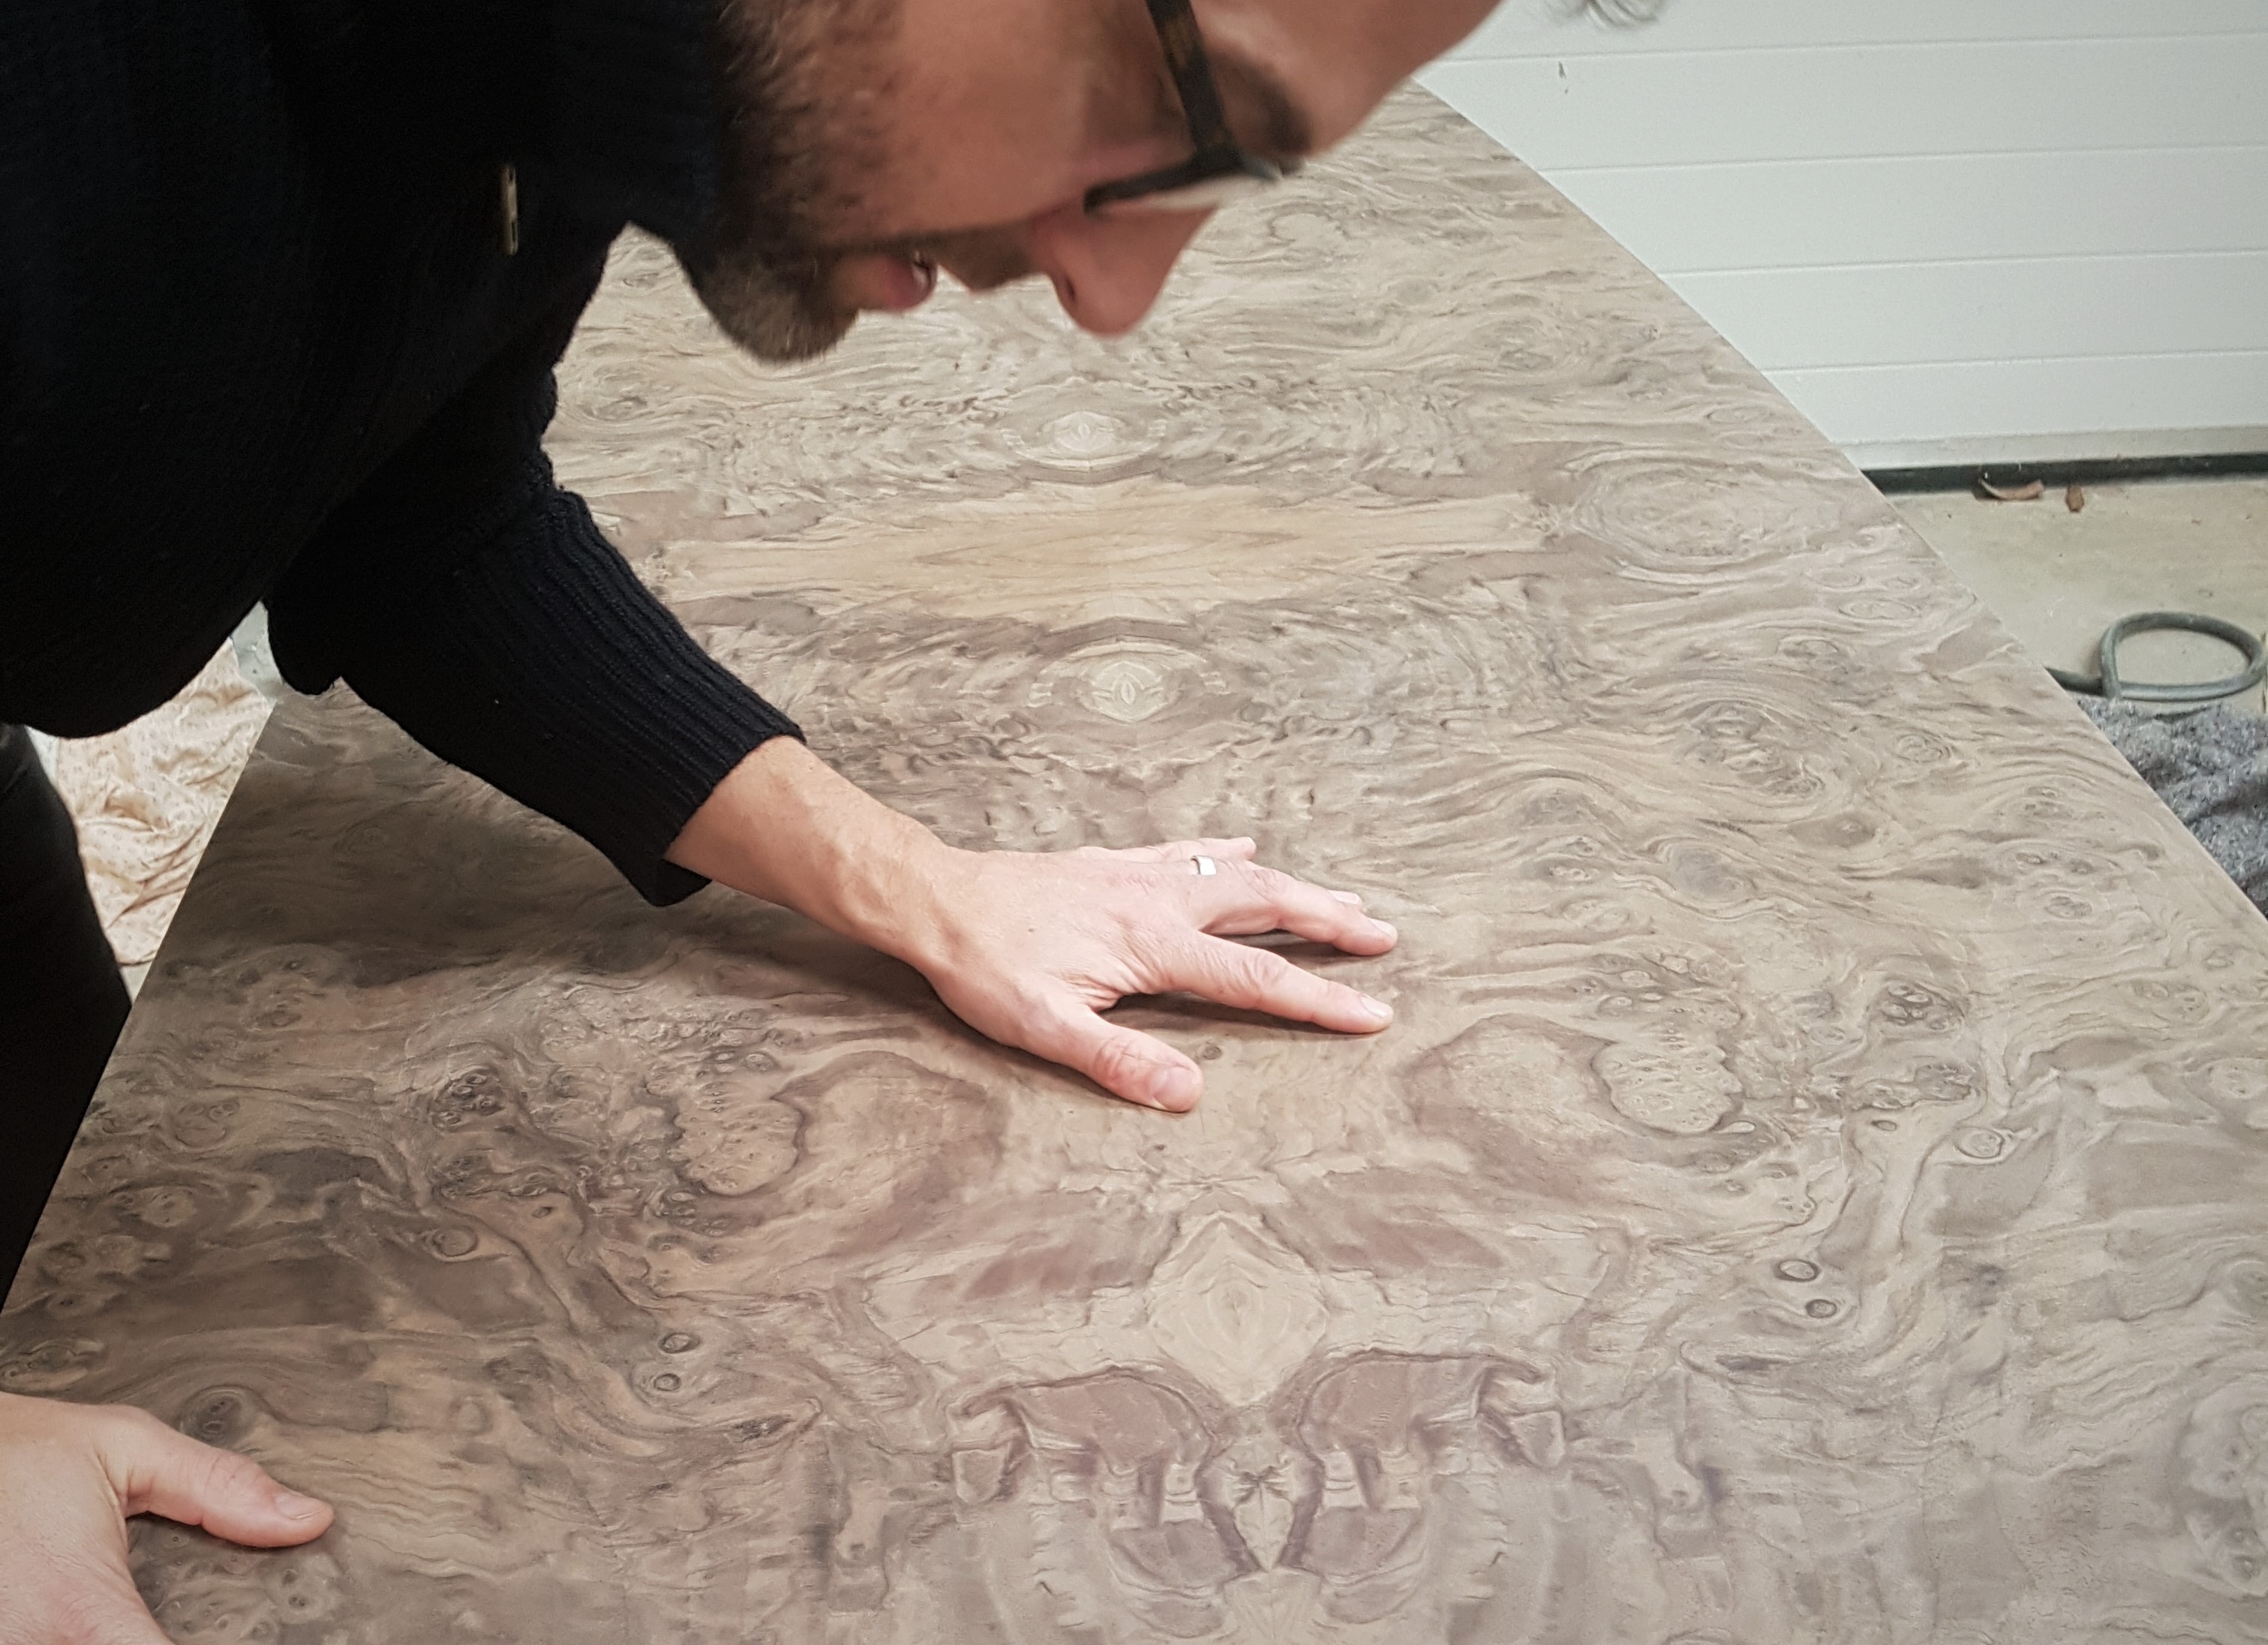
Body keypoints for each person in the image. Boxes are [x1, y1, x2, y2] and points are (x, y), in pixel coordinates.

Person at [0, 0, 1497, 1631]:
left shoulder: (530, 70)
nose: (1117, 289)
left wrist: (926, 888)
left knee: (67, 1228)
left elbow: (415, 503)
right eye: (1179, 103)